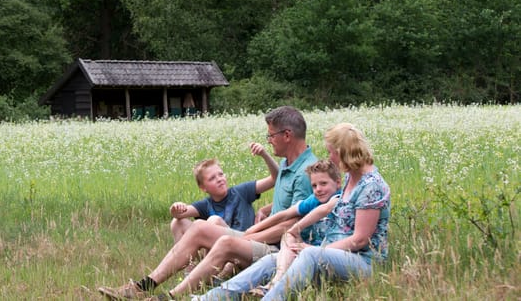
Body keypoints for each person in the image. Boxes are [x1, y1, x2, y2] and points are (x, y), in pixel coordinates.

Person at [98, 106, 317, 300]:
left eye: (271, 136)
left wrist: (251, 234)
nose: (268, 140)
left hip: (281, 251)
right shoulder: (288, 164)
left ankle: (169, 297)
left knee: (224, 240)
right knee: (200, 226)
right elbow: (289, 206)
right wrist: (267, 209)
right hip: (265, 238)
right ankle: (143, 287)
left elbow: (293, 225)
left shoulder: (306, 172)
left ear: (287, 135)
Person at [194, 122, 391, 301]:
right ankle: (209, 298)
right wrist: (300, 235)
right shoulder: (351, 176)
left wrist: (316, 250)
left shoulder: (371, 186)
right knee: (273, 260)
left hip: (363, 261)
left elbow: (359, 240)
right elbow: (325, 209)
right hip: (332, 252)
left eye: (331, 152)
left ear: (343, 152)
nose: (329, 157)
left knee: (309, 255)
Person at [246, 159, 341, 297]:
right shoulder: (314, 199)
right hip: (308, 248)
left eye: (323, 183)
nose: (318, 189)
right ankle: (277, 279)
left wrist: (296, 227)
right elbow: (285, 213)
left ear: (338, 183)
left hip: (328, 254)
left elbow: (323, 210)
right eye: (314, 186)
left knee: (291, 234)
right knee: (287, 235)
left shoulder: (340, 198)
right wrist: (252, 230)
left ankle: (276, 283)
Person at [170, 143, 280, 244]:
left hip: (244, 241)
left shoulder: (241, 191)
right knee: (177, 222)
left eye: (221, 174)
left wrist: (264, 155)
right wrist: (176, 208)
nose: (219, 179)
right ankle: (189, 264)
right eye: (212, 178)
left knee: (214, 220)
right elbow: (179, 214)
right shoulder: (206, 205)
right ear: (203, 188)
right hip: (220, 246)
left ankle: (209, 264)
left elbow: (276, 179)